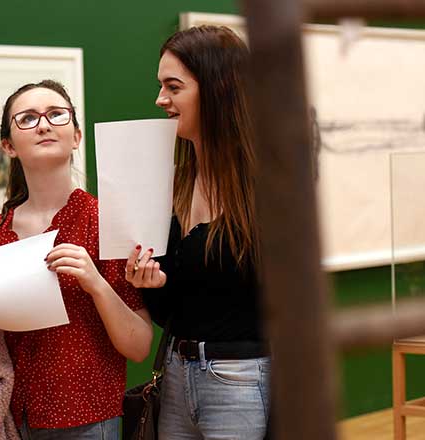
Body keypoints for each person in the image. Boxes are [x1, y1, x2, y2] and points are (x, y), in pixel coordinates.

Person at [0, 80, 153, 440]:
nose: (44, 124)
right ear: (8, 146)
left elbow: (139, 345)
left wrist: (95, 283)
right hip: (11, 416)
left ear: (76, 136)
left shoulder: (107, 221)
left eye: (57, 115)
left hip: (88, 418)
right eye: (27, 118)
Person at [126, 26, 271, 439]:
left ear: (219, 88)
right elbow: (172, 309)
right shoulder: (176, 181)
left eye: (174, 87)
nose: (160, 100)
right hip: (174, 372)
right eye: (161, 86)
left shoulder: (267, 184)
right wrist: (149, 283)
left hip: (240, 379)